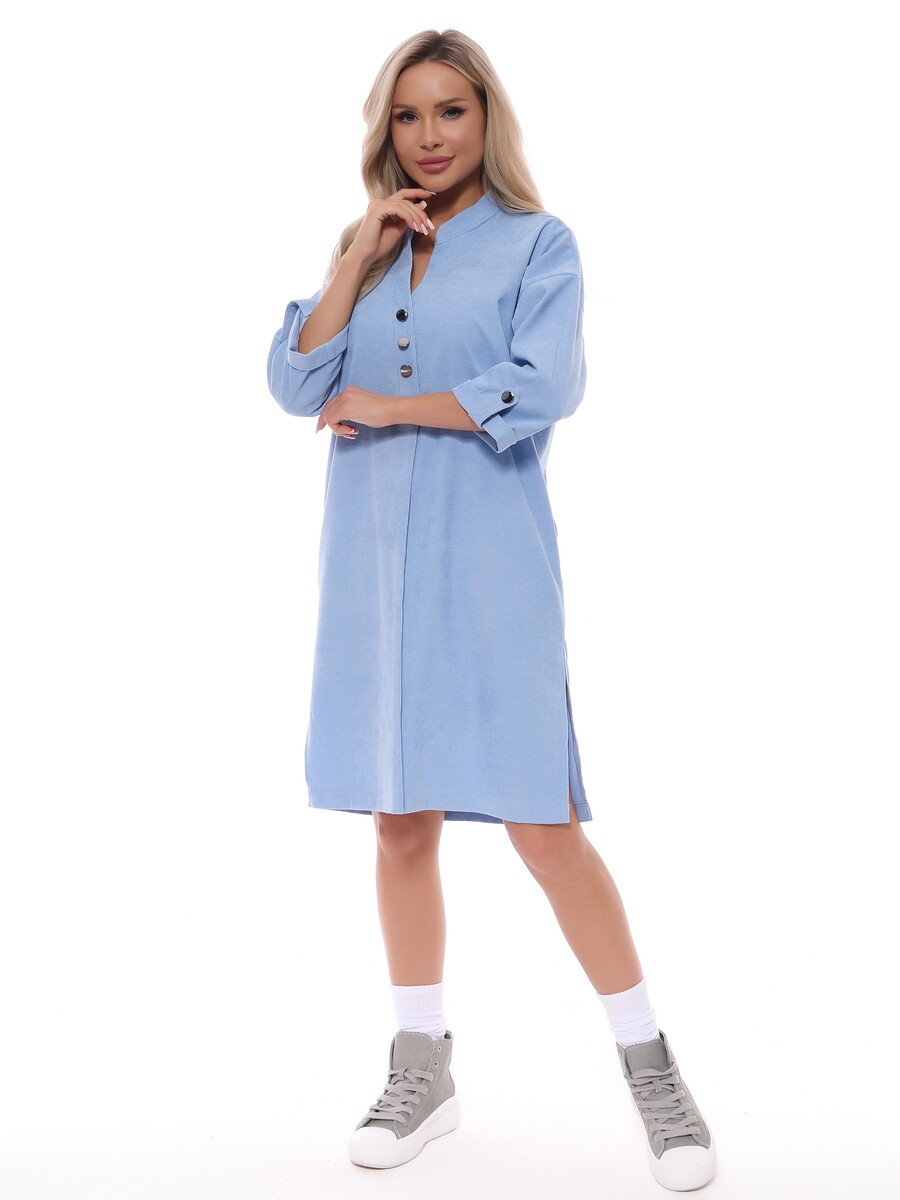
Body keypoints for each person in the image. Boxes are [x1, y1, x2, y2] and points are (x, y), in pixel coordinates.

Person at [266, 28, 716, 1192]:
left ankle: (650, 1065)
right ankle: (422, 1062)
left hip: (492, 569)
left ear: (486, 119)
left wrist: (390, 404)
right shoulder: (365, 247)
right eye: (408, 115)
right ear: (386, 129)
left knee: (543, 825)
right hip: (372, 579)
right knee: (398, 822)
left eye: (451, 111)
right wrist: (355, 256)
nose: (429, 136)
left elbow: (544, 382)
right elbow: (294, 382)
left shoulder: (536, 243)